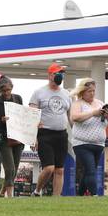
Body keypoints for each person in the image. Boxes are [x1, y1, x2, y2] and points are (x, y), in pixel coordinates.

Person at [30, 64, 72, 196]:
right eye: (57, 73)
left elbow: (70, 116)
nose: (60, 76)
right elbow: (31, 116)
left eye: (62, 73)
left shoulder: (66, 94)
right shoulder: (39, 92)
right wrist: (33, 137)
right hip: (45, 134)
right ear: (50, 75)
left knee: (59, 170)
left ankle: (56, 199)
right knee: (49, 168)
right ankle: (37, 191)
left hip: (61, 134)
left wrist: (75, 134)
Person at [70, 78, 108, 196]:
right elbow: (74, 117)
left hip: (98, 144)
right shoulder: (77, 104)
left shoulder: (100, 103)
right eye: (89, 91)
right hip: (82, 143)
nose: (92, 93)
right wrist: (93, 113)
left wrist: (107, 114)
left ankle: (79, 195)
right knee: (91, 170)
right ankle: (95, 195)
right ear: (82, 92)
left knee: (87, 172)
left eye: (94, 91)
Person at [0, 76, 24, 197]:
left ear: (12, 88)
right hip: (4, 138)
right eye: (3, 91)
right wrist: (1, 120)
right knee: (9, 168)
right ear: (0, 91)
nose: (6, 93)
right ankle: (10, 196)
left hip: (18, 137)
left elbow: (23, 115)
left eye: (8, 90)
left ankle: (1, 192)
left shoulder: (18, 98)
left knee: (14, 169)